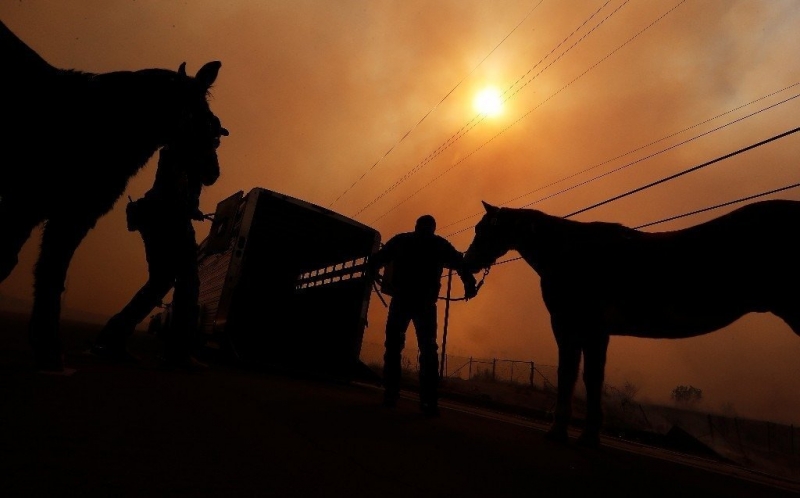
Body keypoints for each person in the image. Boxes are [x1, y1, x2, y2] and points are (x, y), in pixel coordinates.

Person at [90, 119, 228, 370]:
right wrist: (187, 206)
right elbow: (182, 185)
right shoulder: (178, 149)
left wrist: (190, 207)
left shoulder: (192, 152)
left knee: (160, 283)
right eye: (214, 136)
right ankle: (177, 354)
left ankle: (111, 339)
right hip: (166, 221)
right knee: (187, 283)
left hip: (161, 219)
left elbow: (209, 178)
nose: (216, 141)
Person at [368, 214, 477, 417]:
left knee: (395, 347)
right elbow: (460, 264)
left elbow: (377, 259)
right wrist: (469, 284)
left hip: (402, 300)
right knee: (427, 351)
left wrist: (373, 272)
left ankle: (392, 394)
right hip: (424, 304)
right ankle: (427, 400)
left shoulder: (402, 241)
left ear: (416, 226)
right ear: (432, 229)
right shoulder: (438, 245)